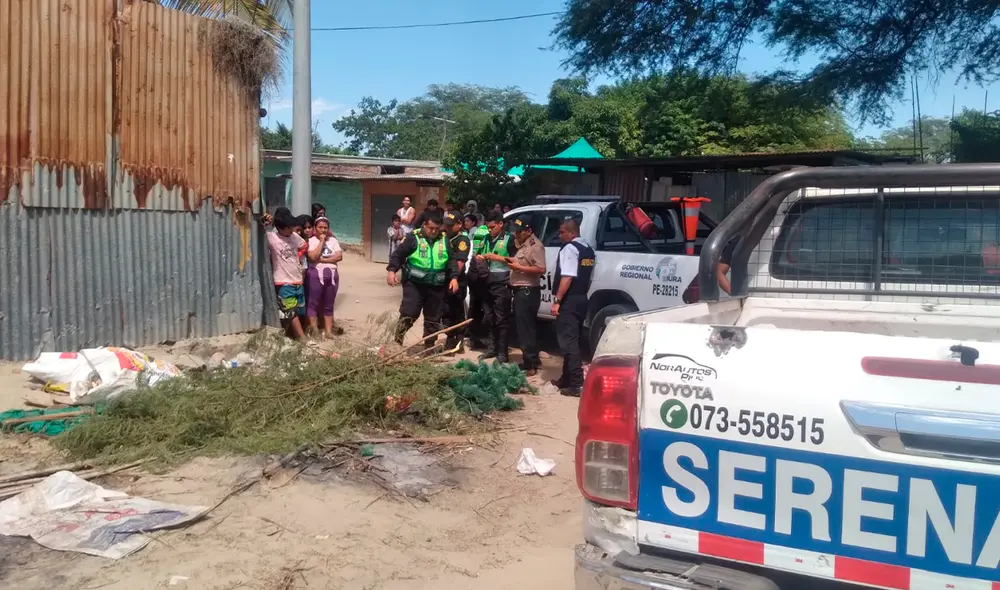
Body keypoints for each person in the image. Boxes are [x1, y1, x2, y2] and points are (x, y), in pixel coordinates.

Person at [386, 211, 460, 350]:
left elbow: (451, 260)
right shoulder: (414, 238)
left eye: (437, 229)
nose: (433, 231)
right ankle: (397, 341)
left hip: (437, 285)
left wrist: (454, 278)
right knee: (409, 313)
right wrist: (391, 271)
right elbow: (398, 255)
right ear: (424, 225)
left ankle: (429, 348)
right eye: (431, 228)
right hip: (415, 285)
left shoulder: (444, 239)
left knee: (433, 319)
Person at [551, 218, 596, 396]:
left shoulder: (570, 249)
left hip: (569, 300)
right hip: (581, 298)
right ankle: (566, 379)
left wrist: (557, 300)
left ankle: (576, 384)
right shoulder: (588, 249)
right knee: (572, 339)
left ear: (572, 233)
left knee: (568, 342)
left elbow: (567, 276)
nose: (560, 235)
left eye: (562, 232)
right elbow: (589, 276)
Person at [506, 217, 546, 376]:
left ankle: (529, 364)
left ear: (529, 231)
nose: (516, 233)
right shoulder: (522, 245)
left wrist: (518, 267)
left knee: (525, 329)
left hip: (528, 291)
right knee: (526, 327)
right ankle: (533, 360)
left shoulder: (535, 246)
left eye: (519, 231)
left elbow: (541, 269)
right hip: (522, 291)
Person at [475, 210, 516, 363]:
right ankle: (492, 349)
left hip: (502, 283)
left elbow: (516, 260)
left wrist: (496, 257)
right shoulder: (485, 238)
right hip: (486, 282)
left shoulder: (509, 239)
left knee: (502, 319)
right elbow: (478, 253)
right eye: (488, 227)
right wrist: (479, 258)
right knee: (490, 317)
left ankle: (502, 353)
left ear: (500, 224)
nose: (490, 230)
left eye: (492, 227)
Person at [263, 208, 307, 340]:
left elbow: (304, 245)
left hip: (298, 281)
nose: (291, 230)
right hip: (283, 282)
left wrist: (297, 257)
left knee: (300, 310)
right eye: (288, 228)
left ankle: (292, 336)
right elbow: (260, 231)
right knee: (290, 312)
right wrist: (266, 221)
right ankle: (302, 338)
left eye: (292, 227)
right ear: (280, 227)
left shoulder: (294, 236)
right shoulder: (272, 238)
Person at [306, 216, 343, 338]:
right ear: (315, 228)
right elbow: (312, 256)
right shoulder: (311, 241)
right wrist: (321, 242)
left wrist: (322, 259)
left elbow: (339, 257)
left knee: (329, 303)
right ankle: (314, 330)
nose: (323, 230)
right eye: (320, 227)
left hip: (332, 276)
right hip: (316, 275)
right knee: (313, 303)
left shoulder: (333, 241)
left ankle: (328, 331)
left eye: (325, 228)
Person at [441, 212, 471, 352]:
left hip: (457, 281)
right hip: (445, 279)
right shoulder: (446, 237)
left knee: (455, 312)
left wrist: (453, 278)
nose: (447, 227)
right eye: (446, 225)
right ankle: (451, 340)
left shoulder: (462, 240)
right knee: (446, 312)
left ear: (460, 224)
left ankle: (456, 343)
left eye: (450, 225)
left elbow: (459, 263)